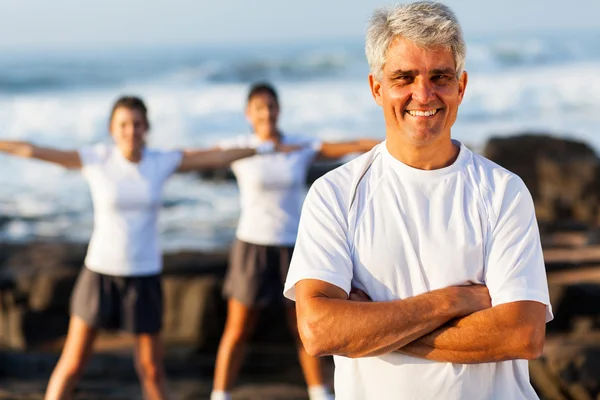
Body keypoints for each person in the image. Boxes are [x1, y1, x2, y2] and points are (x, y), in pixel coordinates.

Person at [283, 2, 553, 400]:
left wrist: (368, 328)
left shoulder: (503, 191)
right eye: (404, 77)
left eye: (440, 76)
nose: (422, 94)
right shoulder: (335, 194)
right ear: (377, 88)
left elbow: (523, 333)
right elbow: (320, 330)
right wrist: (454, 300)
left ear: (461, 87)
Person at [0, 95, 294, 400]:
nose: (131, 130)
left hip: (144, 276)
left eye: (137, 124)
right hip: (100, 273)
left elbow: (214, 157)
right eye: (124, 124)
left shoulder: (159, 161)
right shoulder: (97, 159)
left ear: (146, 127)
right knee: (73, 363)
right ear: (112, 129)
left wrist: (264, 148)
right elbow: (33, 150)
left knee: (152, 369)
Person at [210, 82, 379, 400]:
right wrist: (259, 149)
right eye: (259, 107)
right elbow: (200, 157)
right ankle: (220, 394)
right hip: (252, 246)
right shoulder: (239, 147)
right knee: (238, 328)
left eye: (271, 106)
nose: (267, 113)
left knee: (303, 325)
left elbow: (347, 146)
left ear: (279, 110)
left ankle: (320, 392)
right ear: (249, 114)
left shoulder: (298, 146)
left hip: (293, 245)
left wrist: (391, 142)